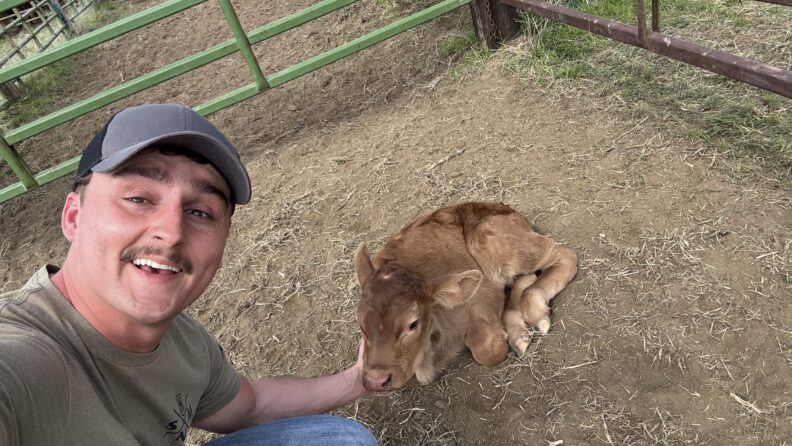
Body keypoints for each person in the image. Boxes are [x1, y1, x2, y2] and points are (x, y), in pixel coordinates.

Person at [0, 103, 378, 446]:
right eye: (138, 198)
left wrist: (359, 379)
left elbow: (252, 406)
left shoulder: (186, 343)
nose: (172, 232)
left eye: (200, 211)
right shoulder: (21, 360)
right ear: (73, 216)